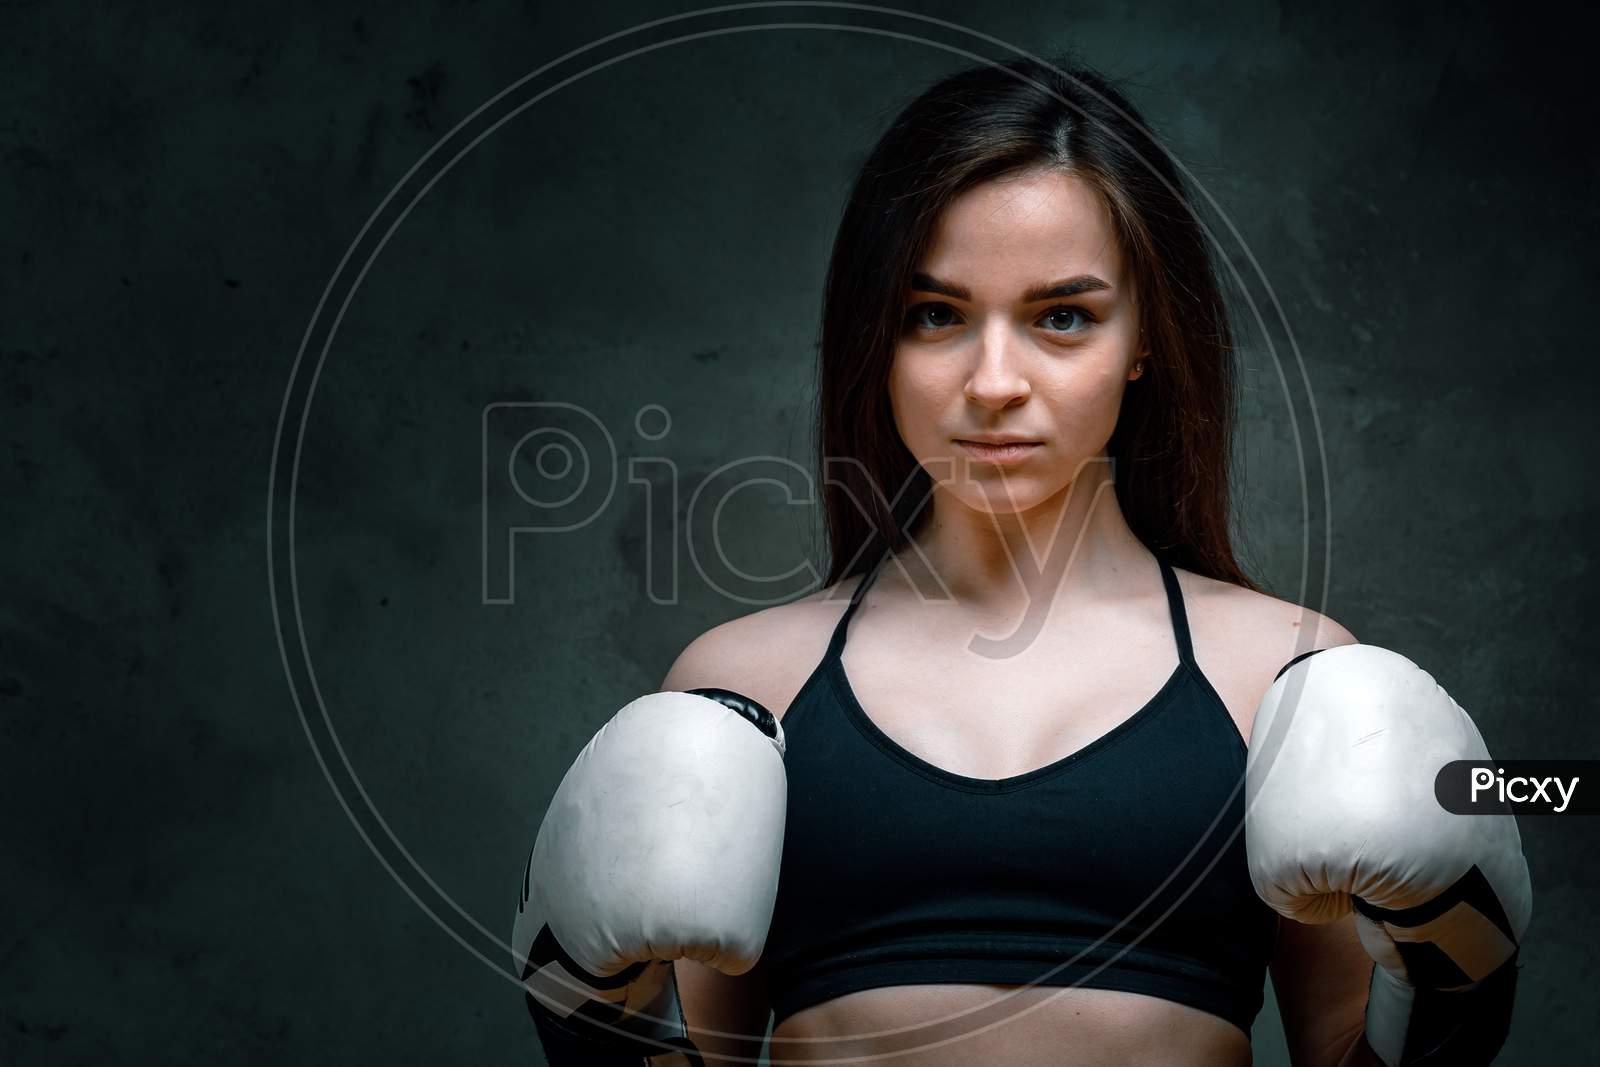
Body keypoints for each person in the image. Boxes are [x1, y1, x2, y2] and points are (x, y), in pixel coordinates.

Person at [515, 53, 1528, 1066]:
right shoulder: (743, 685)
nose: (993, 381)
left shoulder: (1279, 674)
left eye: (1062, 316)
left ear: (1142, 339)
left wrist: (1456, 961)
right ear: (876, 336)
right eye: (935, 314)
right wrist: (590, 1009)